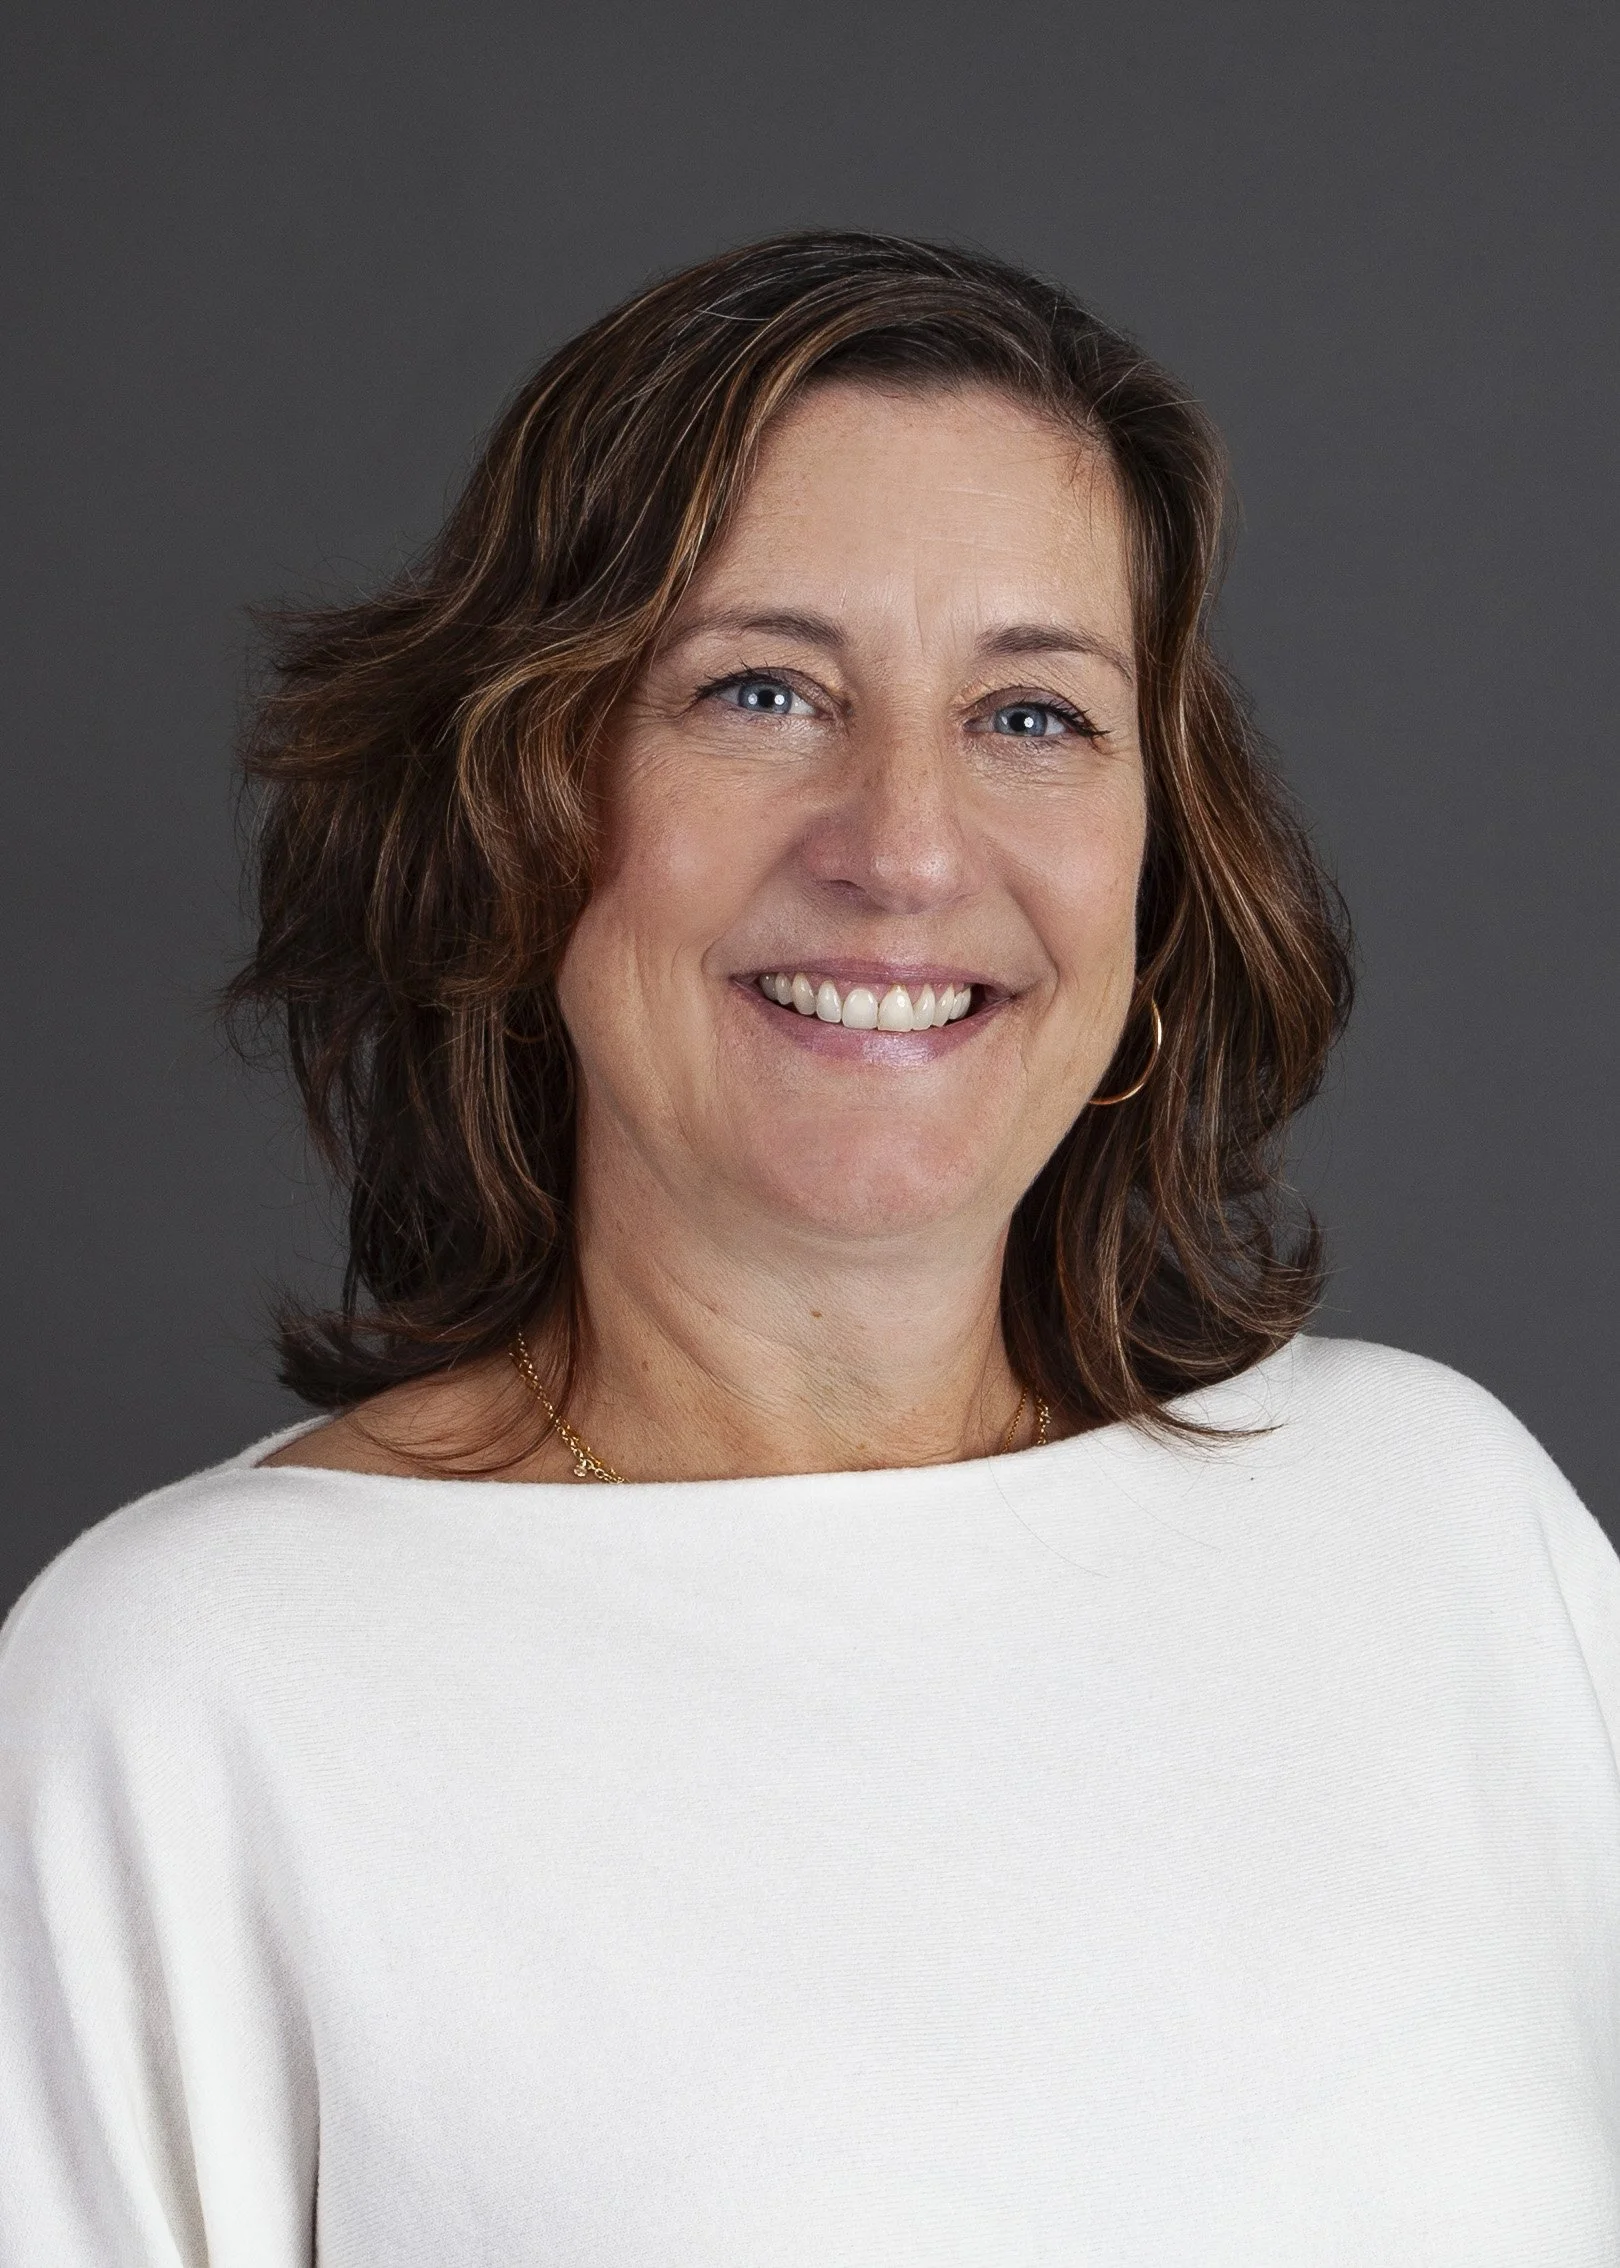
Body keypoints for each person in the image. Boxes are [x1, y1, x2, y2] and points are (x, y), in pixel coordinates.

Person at [2, 232, 1615, 2265]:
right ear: (519, 805)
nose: (906, 848)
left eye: (1032, 713)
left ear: (1156, 864)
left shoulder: (1447, 1530)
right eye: (761, 692)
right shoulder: (188, 1686)